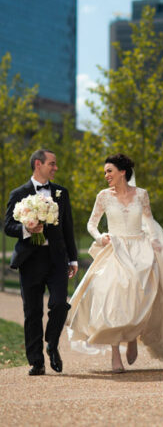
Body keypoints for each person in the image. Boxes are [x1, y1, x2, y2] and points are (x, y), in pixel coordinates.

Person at [66, 153, 163, 372]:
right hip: (115, 250)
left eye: (109, 171)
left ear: (122, 172)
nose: (106, 175)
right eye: (105, 171)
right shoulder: (103, 196)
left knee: (141, 298)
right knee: (113, 298)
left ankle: (133, 336)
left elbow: (149, 221)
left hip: (141, 250)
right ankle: (115, 354)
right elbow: (91, 224)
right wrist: (100, 237)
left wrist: (155, 241)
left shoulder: (142, 195)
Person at [4, 149, 78, 376]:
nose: (55, 168)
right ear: (39, 164)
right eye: (52, 164)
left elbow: (67, 227)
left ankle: (52, 343)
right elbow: (8, 226)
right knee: (32, 312)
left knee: (59, 304)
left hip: (57, 259)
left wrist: (73, 258)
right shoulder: (19, 194)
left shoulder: (61, 193)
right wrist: (27, 229)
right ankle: (36, 361)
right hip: (30, 261)